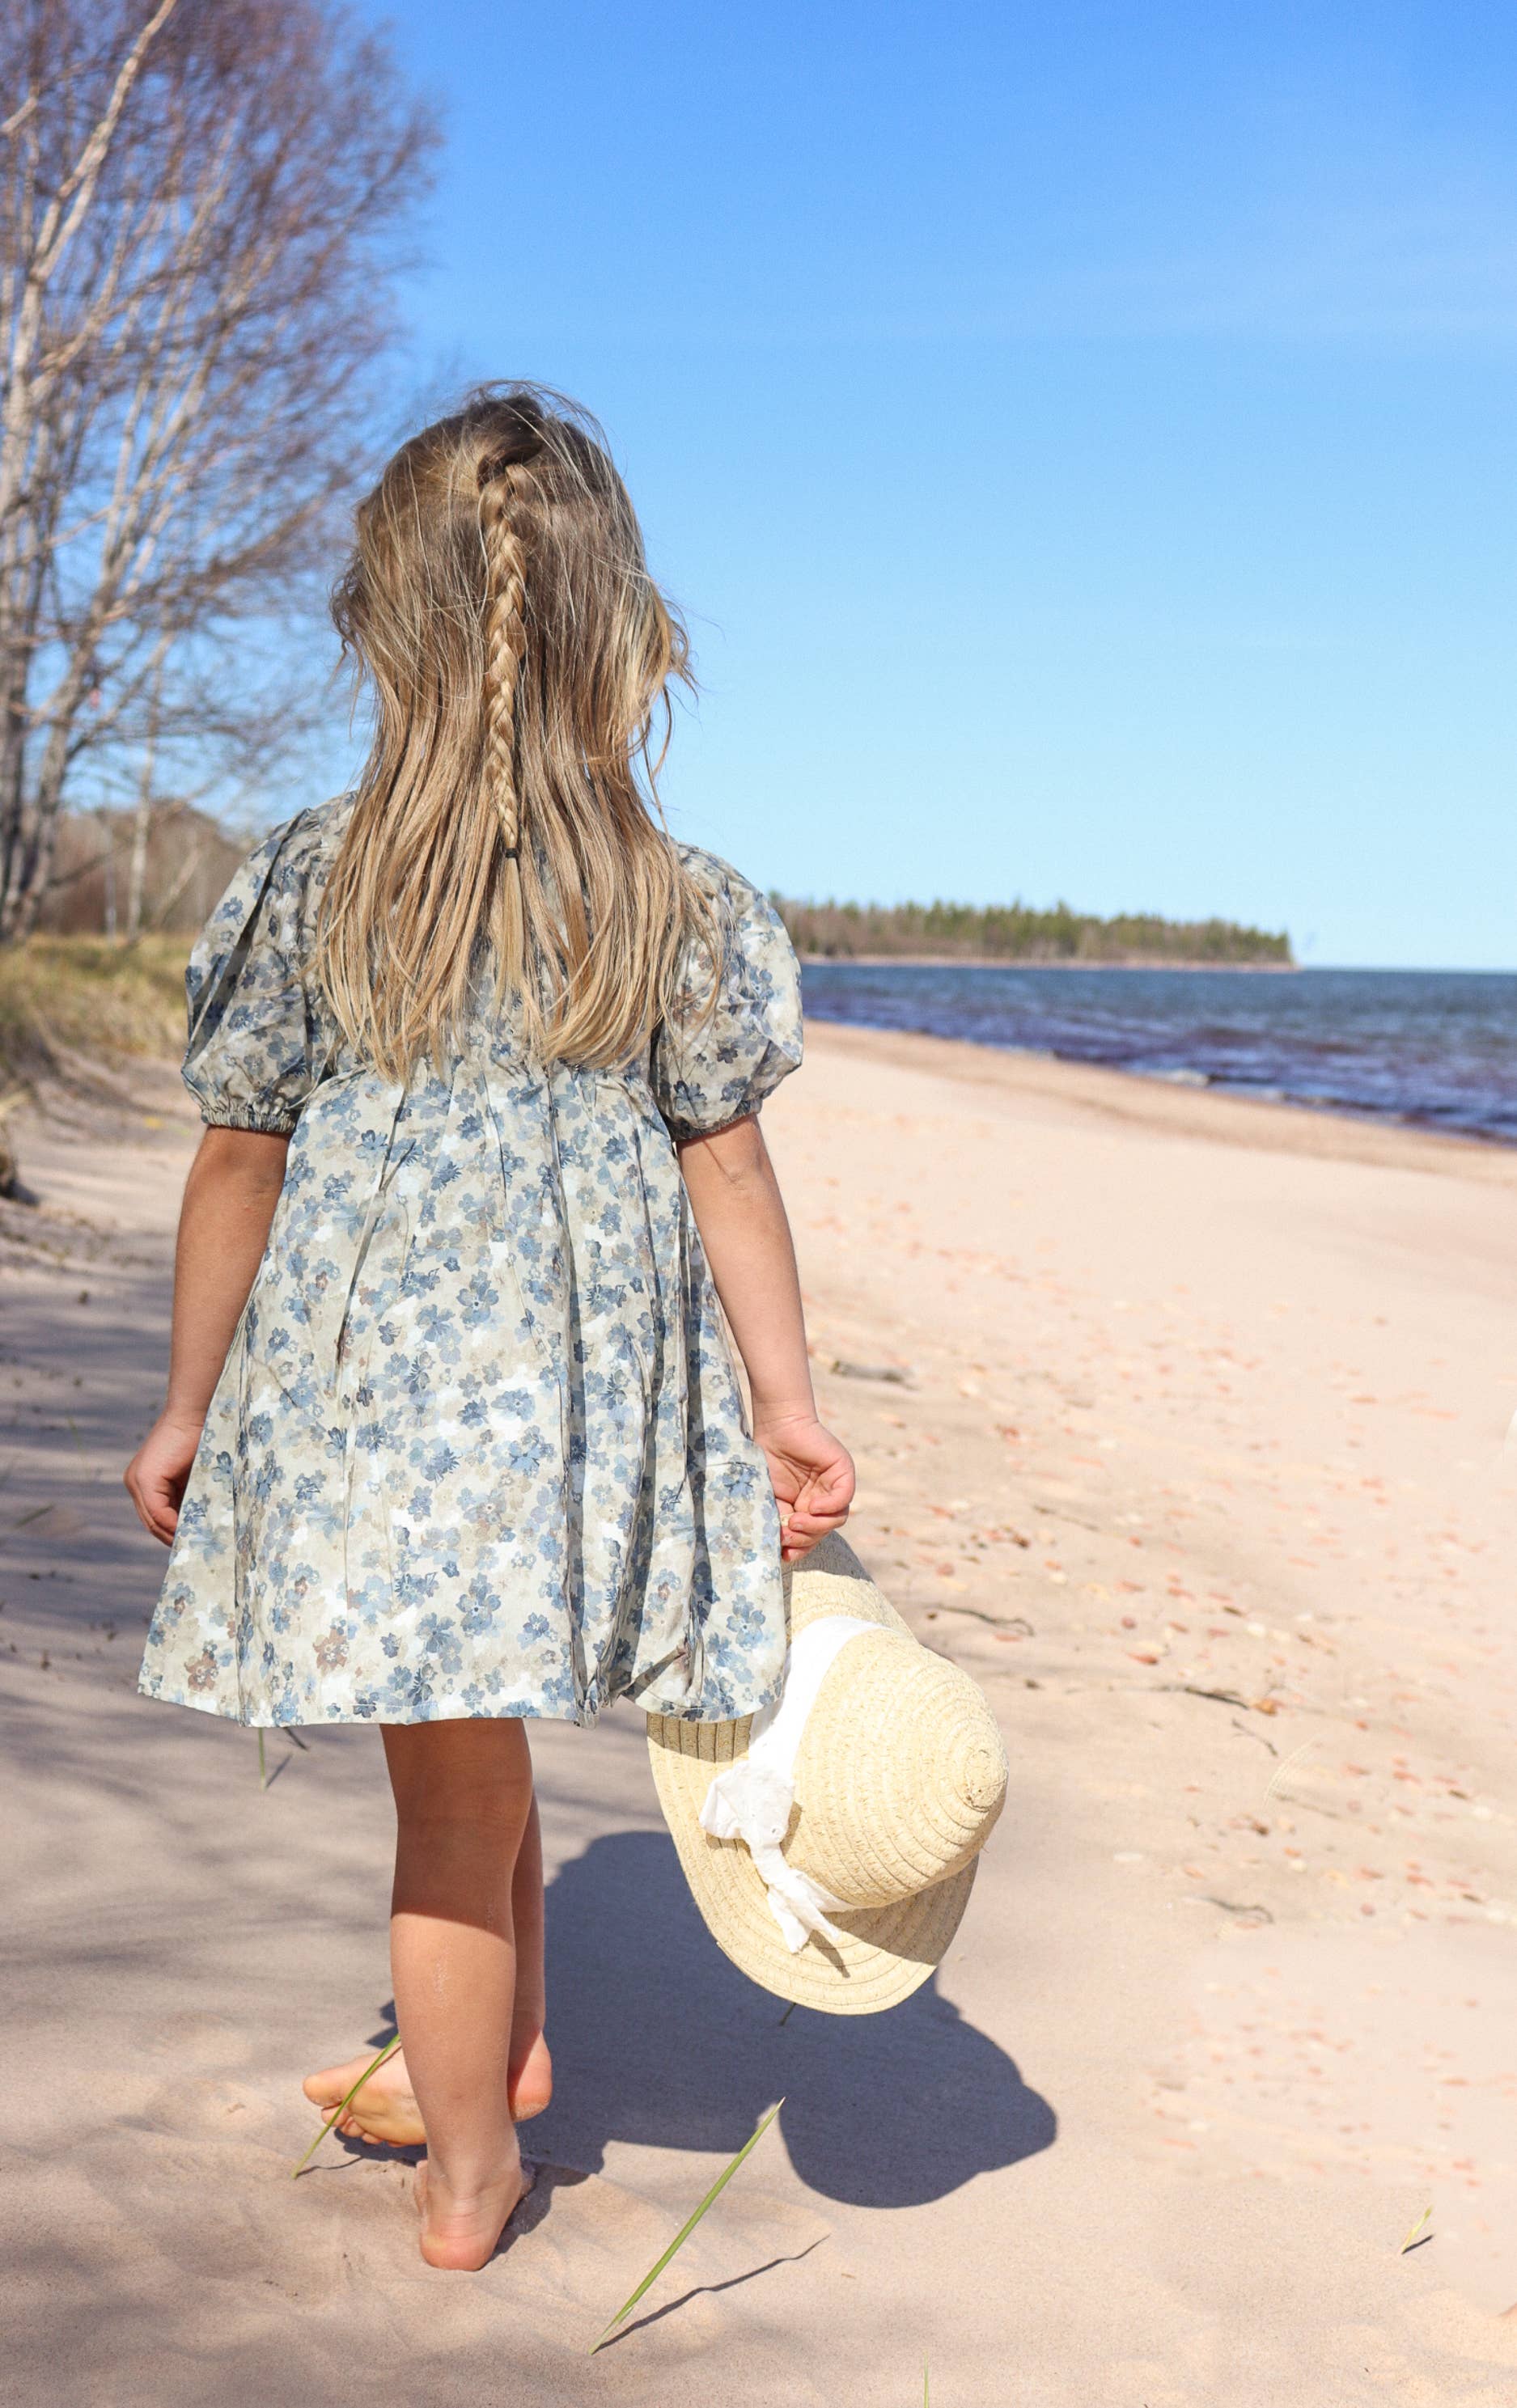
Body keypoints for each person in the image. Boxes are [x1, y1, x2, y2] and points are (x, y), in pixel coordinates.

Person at [124, 384, 854, 2273]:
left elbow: (235, 1164)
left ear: (391, 625)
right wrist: (782, 1400)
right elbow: (730, 1172)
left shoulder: (322, 877)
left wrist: (186, 1400)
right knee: (481, 1756)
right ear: (614, 628)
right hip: (571, 1407)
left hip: (371, 1404)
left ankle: (462, 2184)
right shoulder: (662, 895)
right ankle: (501, 2056)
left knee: (444, 1793)